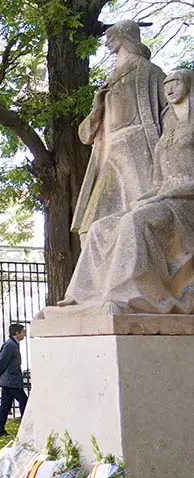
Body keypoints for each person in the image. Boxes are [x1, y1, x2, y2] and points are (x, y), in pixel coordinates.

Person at [61, 70, 194, 314]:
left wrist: (165, 196)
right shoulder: (168, 133)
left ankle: (124, 294)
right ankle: (81, 295)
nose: (170, 89)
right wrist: (148, 197)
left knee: (136, 221)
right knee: (101, 227)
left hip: (185, 205)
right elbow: (158, 180)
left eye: (175, 83)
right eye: (166, 86)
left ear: (188, 84)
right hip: (163, 198)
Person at [72, 20, 167, 235]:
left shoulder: (149, 72)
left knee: (143, 216)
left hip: (138, 149)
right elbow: (85, 135)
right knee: (89, 227)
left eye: (111, 37)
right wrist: (97, 109)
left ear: (125, 37)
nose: (107, 43)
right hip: (110, 153)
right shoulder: (110, 81)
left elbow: (172, 112)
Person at [0, 323, 27, 437]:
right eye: (23, 332)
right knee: (24, 401)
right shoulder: (10, 345)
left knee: (5, 405)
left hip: (9, 380)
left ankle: (0, 429)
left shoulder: (13, 344)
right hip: (11, 380)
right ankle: (25, 427)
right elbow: (1, 361)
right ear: (17, 333)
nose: (24, 334)